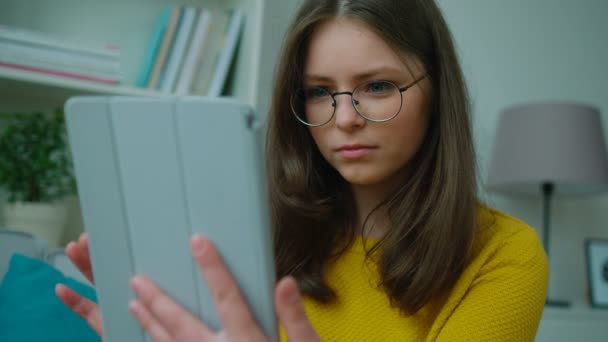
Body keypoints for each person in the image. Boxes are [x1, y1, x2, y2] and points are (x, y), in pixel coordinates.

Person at [55, 0, 549, 340]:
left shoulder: (504, 255)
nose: (346, 118)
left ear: (437, 91)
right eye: (318, 92)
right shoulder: (253, 235)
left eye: (377, 86)